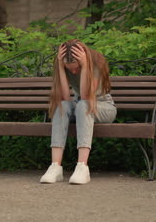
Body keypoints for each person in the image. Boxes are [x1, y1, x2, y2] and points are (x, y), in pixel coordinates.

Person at [40, 39, 117, 185]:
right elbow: (65, 96)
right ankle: (55, 167)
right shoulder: (65, 66)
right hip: (81, 105)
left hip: (103, 107)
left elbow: (86, 95)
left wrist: (85, 65)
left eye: (76, 68)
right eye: (70, 69)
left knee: (83, 104)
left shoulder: (96, 63)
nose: (74, 72)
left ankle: (82, 167)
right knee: (61, 105)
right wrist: (61, 68)